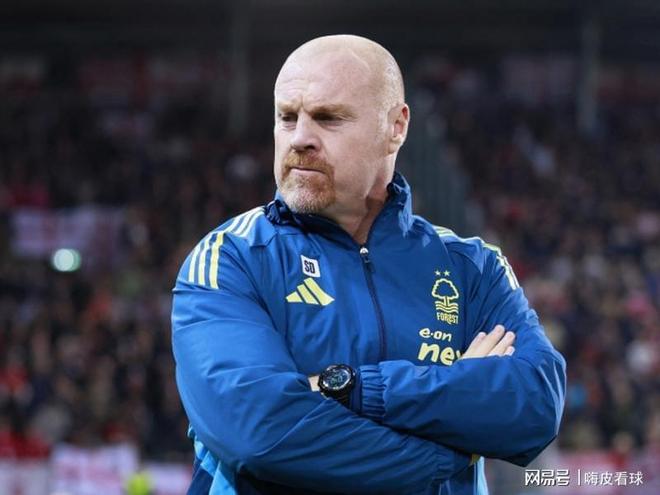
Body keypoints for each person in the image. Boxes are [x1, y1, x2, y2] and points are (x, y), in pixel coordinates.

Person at [171, 34, 566, 495]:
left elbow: (536, 405)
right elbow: (260, 431)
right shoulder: (231, 259)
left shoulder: (472, 268)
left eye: (328, 118)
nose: (300, 138)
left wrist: (351, 388)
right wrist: (453, 448)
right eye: (287, 117)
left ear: (395, 127)